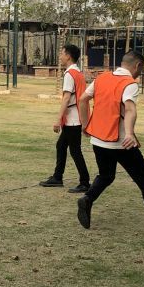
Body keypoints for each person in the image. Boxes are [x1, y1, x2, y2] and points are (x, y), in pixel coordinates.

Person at [76, 50, 144, 231]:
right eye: (141, 68)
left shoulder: (102, 78)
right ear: (138, 65)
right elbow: (130, 109)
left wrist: (86, 125)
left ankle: (87, 199)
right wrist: (130, 134)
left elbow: (83, 99)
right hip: (121, 142)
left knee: (106, 175)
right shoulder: (129, 84)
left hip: (99, 140)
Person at [39, 45, 90, 193]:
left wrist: (58, 120)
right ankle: (58, 177)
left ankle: (84, 182)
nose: (60, 56)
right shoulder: (78, 72)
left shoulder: (69, 74)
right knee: (61, 146)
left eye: (62, 53)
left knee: (75, 151)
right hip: (75, 118)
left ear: (68, 56)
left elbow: (66, 98)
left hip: (73, 119)